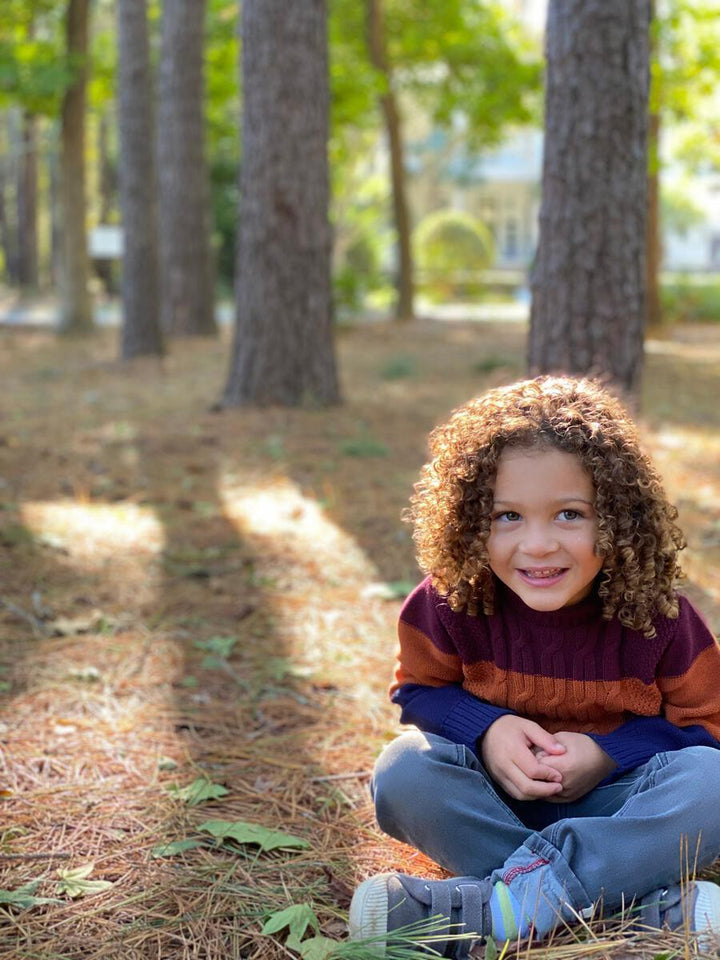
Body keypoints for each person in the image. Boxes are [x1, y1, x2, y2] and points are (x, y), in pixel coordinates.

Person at [348, 376, 720, 957]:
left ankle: (487, 910)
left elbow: (707, 728)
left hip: (619, 812)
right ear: (469, 521)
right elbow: (419, 691)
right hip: (494, 806)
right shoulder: (450, 602)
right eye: (507, 516)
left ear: (618, 519)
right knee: (403, 772)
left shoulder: (660, 617)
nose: (539, 544)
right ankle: (634, 910)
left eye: (570, 514)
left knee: (711, 781)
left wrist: (607, 754)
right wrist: (488, 729)